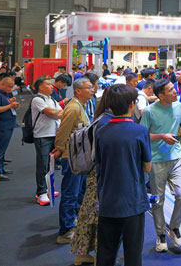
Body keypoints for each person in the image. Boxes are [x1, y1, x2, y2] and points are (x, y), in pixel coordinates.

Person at [96, 84, 151, 266]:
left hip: (107, 200)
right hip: (133, 201)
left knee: (105, 252)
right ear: (132, 105)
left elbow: (99, 162)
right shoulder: (140, 131)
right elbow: (147, 167)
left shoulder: (101, 130)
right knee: (133, 254)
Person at [140, 79, 181, 253]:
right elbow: (143, 135)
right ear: (160, 95)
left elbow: (178, 126)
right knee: (158, 200)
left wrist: (178, 141)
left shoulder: (178, 106)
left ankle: (174, 228)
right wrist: (161, 136)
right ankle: (160, 234)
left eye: (174, 88)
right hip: (157, 160)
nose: (175, 92)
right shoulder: (149, 111)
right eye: (170, 90)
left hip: (176, 158)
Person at [71, 87, 115, 266]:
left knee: (88, 213)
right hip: (101, 175)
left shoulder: (100, 119)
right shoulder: (107, 123)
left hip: (93, 174)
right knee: (98, 216)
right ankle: (99, 256)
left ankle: (82, 253)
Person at [51, 77, 94, 244]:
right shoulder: (74, 107)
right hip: (72, 157)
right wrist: (59, 148)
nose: (92, 90)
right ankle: (65, 230)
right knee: (70, 193)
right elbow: (63, 131)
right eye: (88, 87)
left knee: (79, 192)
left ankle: (73, 221)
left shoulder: (81, 106)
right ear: (78, 90)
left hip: (80, 156)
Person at [31, 77, 63, 206]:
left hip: (54, 134)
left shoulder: (52, 99)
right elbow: (51, 113)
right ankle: (41, 192)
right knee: (43, 164)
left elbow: (60, 113)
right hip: (42, 135)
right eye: (48, 84)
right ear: (40, 87)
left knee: (51, 164)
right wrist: (57, 113)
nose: (51, 86)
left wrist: (57, 113)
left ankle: (49, 188)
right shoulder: (37, 99)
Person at [0, 75, 20, 181]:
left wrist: (10, 102)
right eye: (9, 87)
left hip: (7, 125)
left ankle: (0, 168)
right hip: (2, 126)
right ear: (2, 84)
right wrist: (10, 105)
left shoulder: (2, 94)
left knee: (2, 149)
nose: (11, 89)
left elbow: (2, 105)